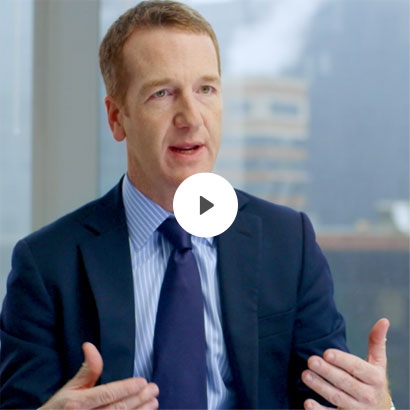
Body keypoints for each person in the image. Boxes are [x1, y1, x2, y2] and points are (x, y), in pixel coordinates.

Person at [0, 1, 393, 409]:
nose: (191, 117)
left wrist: (377, 405)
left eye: (206, 89)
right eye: (162, 93)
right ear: (117, 117)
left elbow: (330, 398)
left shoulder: (288, 243)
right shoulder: (46, 264)